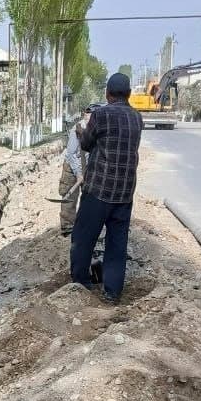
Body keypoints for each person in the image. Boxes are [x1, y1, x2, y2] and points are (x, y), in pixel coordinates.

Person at [69, 73, 142, 303]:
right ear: (129, 94)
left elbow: (87, 144)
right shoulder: (137, 118)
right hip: (124, 194)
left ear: (107, 94)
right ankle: (112, 292)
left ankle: (81, 284)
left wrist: (82, 131)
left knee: (83, 238)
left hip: (99, 191)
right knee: (117, 244)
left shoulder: (101, 115)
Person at [58, 108, 91, 236]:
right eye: (88, 115)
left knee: (89, 197)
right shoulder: (76, 129)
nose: (90, 118)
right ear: (84, 115)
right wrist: (78, 173)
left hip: (88, 166)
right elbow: (71, 154)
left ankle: (85, 225)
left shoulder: (96, 129)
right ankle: (67, 228)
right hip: (72, 166)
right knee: (69, 197)